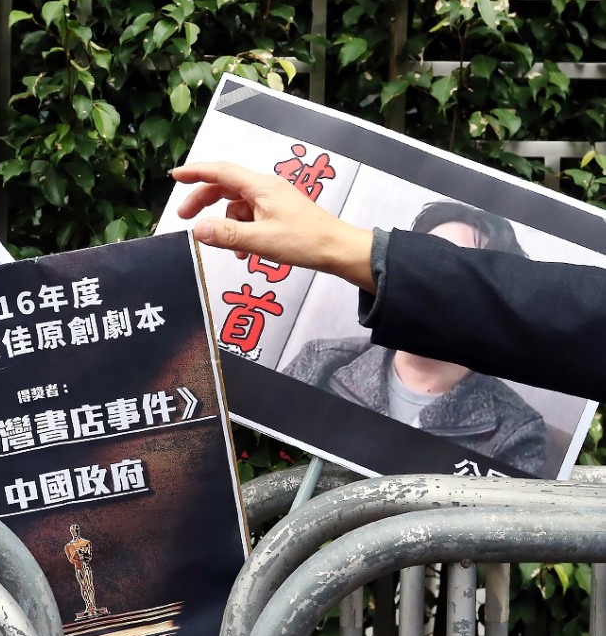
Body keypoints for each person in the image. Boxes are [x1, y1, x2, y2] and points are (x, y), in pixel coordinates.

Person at [169, 161, 606, 404]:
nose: (442, 282)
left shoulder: (515, 423)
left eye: (458, 266)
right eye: (437, 258)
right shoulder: (323, 360)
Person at [279, 201, 546, 475]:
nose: (430, 283)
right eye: (422, 262)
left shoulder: (517, 431)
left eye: (459, 274)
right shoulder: (322, 361)